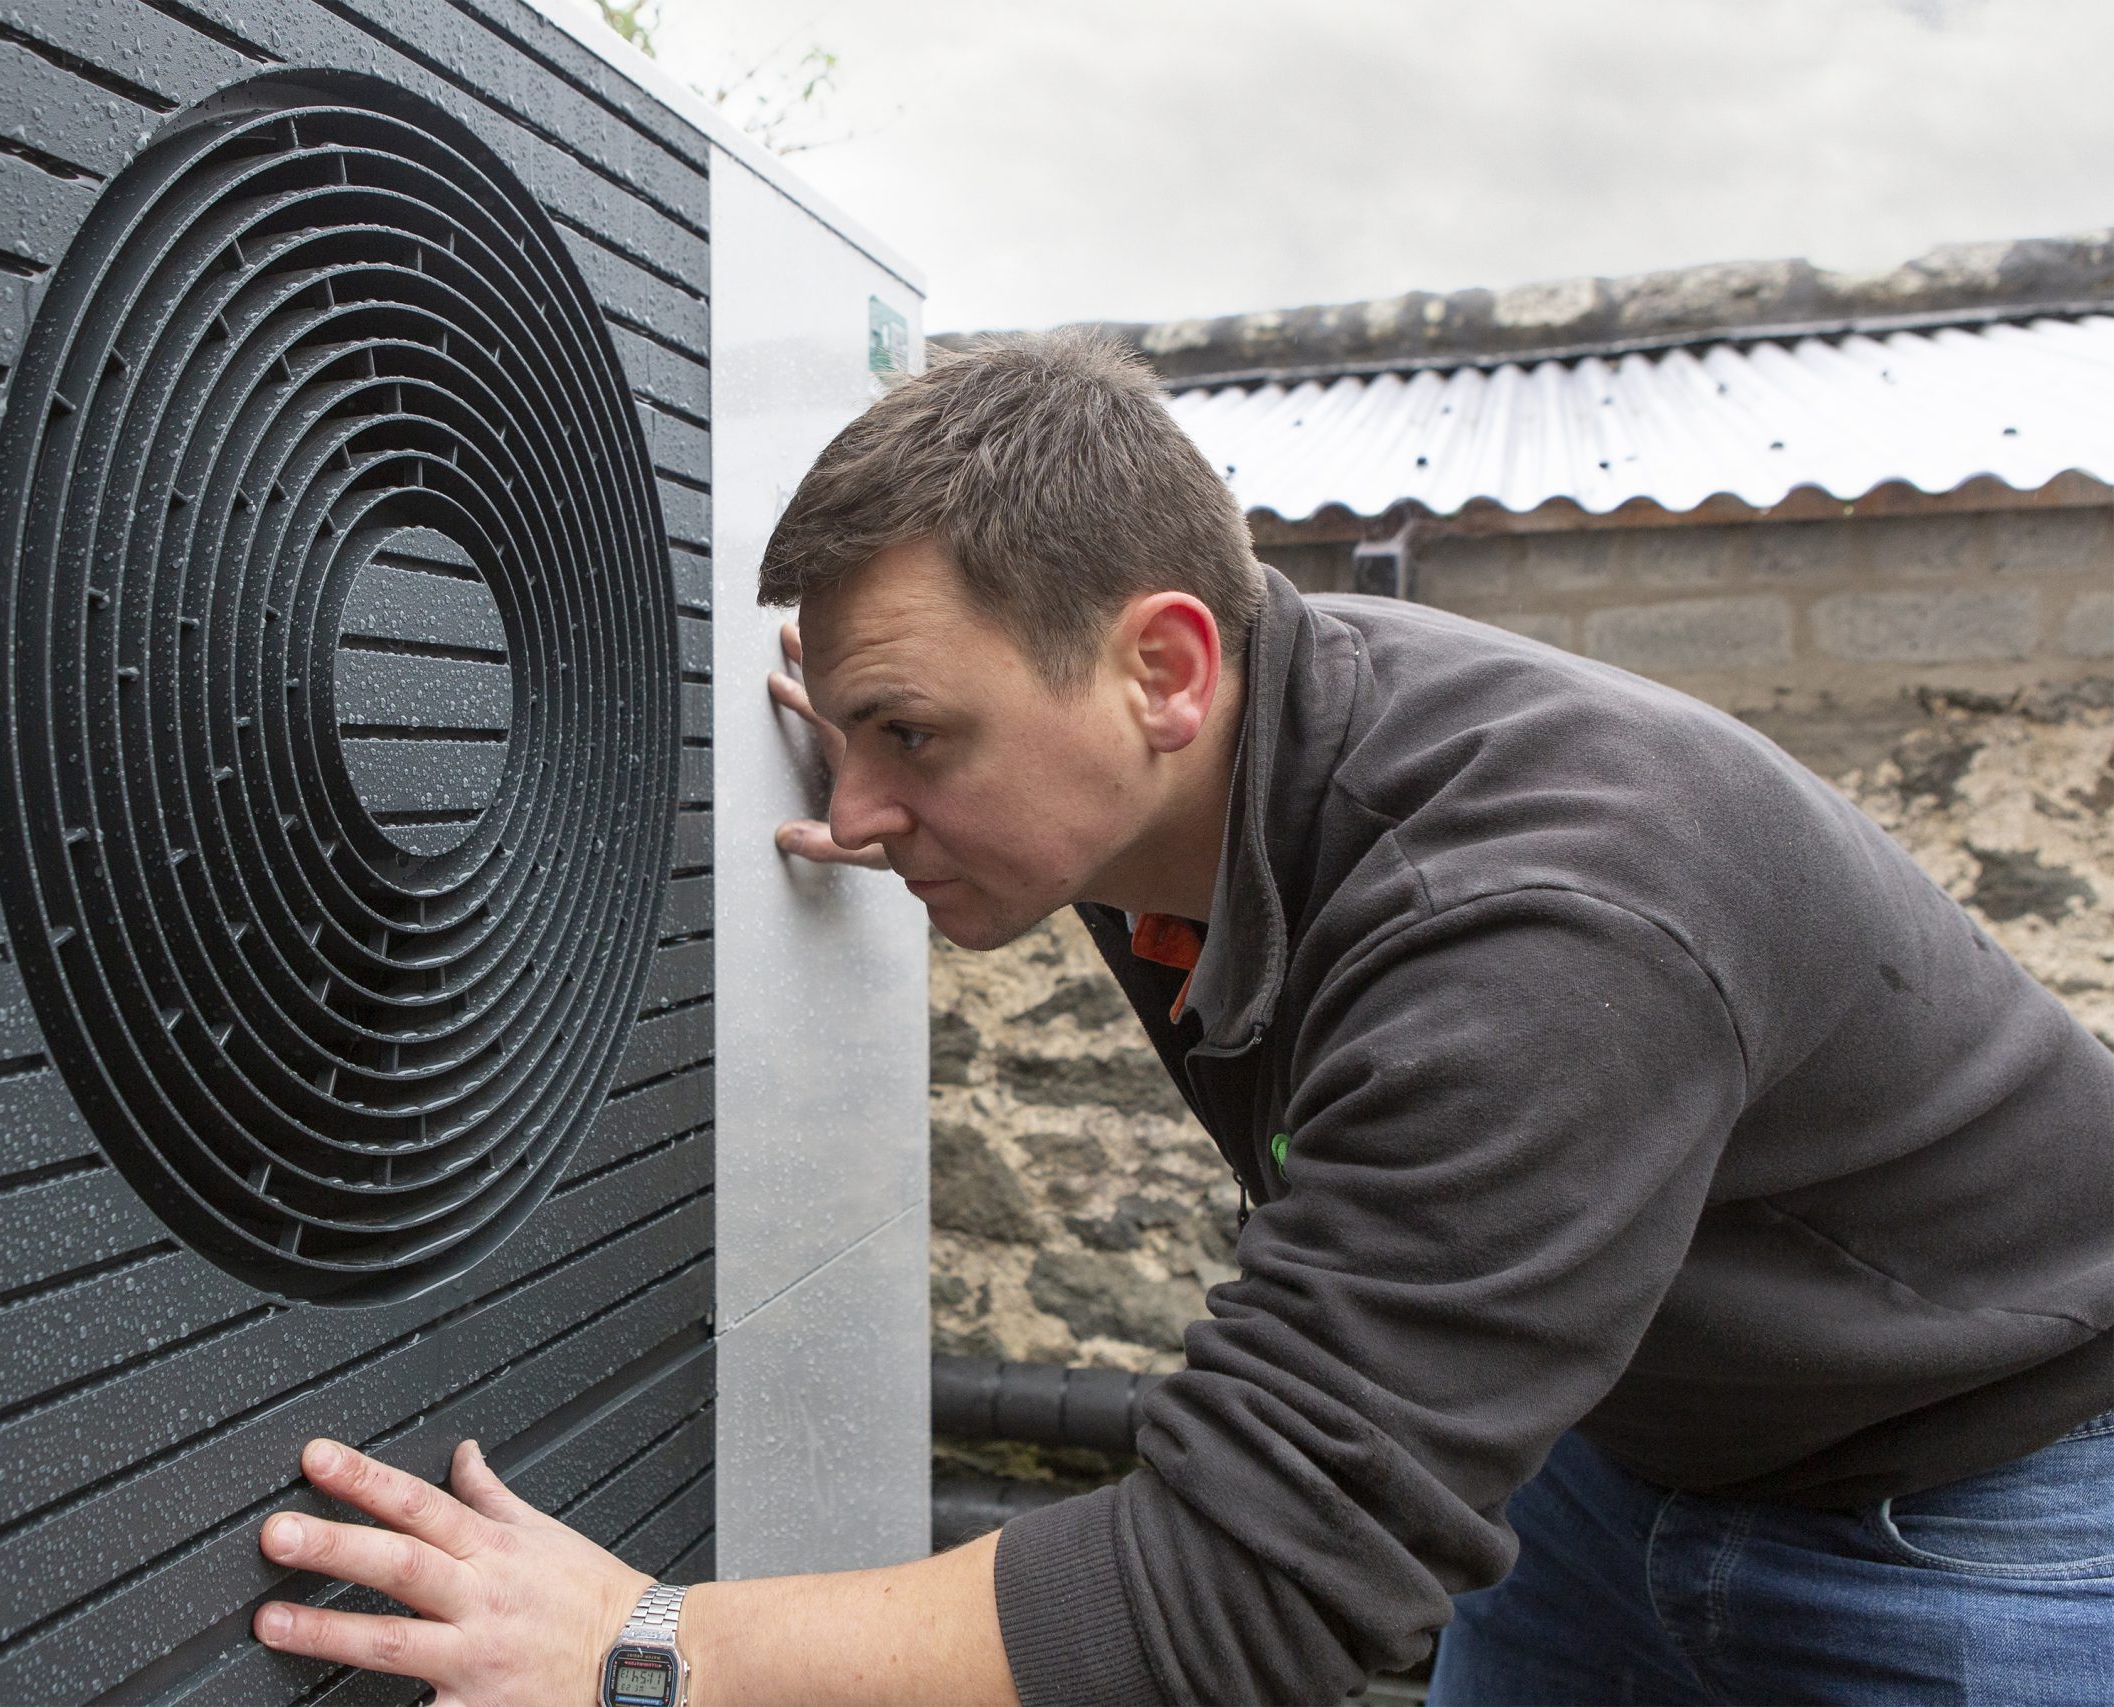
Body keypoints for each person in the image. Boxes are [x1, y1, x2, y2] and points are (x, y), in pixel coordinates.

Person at [242, 333, 2114, 1705]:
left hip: (1985, 1506)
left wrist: (647, 1646)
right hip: (1622, 1472)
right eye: (852, 731)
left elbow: (1251, 1600)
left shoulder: (1539, 924)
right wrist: (903, 725)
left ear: (1164, 666)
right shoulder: (1180, 776)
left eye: (914, 735)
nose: (862, 808)